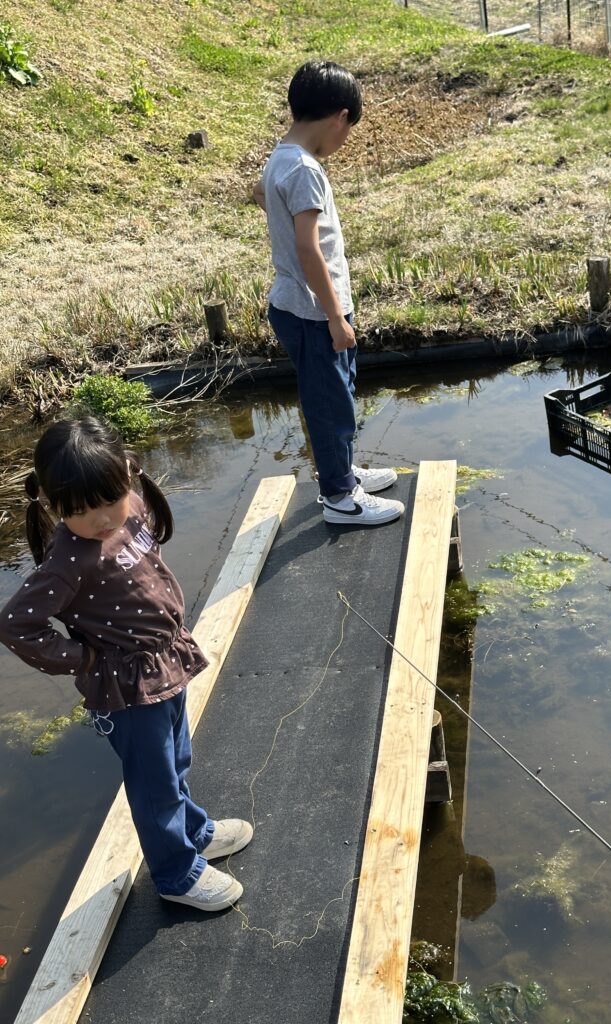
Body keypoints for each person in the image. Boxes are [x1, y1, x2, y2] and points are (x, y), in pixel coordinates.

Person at [0, 418, 252, 912]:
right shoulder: (68, 560)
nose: (100, 519)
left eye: (108, 499)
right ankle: (176, 874)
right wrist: (83, 658)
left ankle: (194, 832)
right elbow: (15, 625)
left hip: (164, 662)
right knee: (153, 782)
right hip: (126, 687)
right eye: (79, 510)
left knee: (175, 761)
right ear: (54, 505)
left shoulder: (131, 506)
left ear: (127, 475)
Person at [254, 60, 405, 527]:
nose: (344, 140)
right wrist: (336, 317)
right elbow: (308, 248)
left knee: (337, 392)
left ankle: (345, 471)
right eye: (349, 129)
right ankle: (340, 497)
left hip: (302, 305)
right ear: (340, 117)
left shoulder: (281, 157)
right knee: (330, 403)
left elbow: (259, 194)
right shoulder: (306, 170)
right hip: (315, 311)